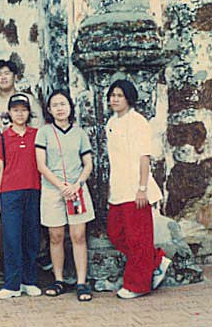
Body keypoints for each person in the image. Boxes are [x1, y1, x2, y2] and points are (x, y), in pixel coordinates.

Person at [105, 79, 172, 299]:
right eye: (112, 95)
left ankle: (137, 285)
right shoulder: (112, 123)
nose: (115, 99)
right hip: (118, 189)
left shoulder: (138, 122)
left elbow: (145, 157)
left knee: (138, 238)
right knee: (116, 234)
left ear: (129, 98)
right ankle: (155, 260)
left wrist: (142, 188)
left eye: (119, 95)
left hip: (136, 189)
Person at [35, 90, 95, 302]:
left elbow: (88, 163)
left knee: (78, 236)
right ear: (49, 110)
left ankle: (81, 282)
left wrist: (76, 184)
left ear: (70, 107)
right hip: (53, 190)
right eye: (55, 105)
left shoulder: (79, 133)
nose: (60, 108)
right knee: (56, 236)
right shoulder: (43, 133)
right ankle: (58, 279)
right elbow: (41, 165)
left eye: (63, 104)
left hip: (77, 190)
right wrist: (61, 186)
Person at [0, 94, 42, 299]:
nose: (20, 113)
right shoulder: (2, 138)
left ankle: (29, 280)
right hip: (9, 192)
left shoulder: (38, 134)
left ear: (29, 112)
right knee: (11, 238)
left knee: (31, 237)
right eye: (15, 110)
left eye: (23, 109)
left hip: (33, 189)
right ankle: (12, 284)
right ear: (9, 113)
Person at [0, 59, 44, 132]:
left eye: (7, 73)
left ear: (15, 77)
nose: (3, 78)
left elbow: (39, 128)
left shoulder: (29, 99)